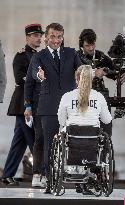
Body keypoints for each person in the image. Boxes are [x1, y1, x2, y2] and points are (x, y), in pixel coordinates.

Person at [30, 22, 82, 193]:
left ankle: (77, 177)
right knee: (49, 144)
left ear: (62, 37)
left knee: (74, 142)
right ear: (46, 37)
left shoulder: (71, 53)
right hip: (49, 107)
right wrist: (39, 74)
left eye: (59, 37)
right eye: (52, 36)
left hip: (70, 108)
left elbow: (81, 70)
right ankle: (49, 178)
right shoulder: (39, 56)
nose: (56, 40)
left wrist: (83, 74)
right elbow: (35, 72)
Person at [58, 65, 112, 194]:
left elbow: (61, 121)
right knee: (102, 137)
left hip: (72, 137)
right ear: (92, 79)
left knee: (63, 133)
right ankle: (93, 174)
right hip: (92, 138)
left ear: (76, 78)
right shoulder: (99, 96)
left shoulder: (67, 96)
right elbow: (107, 120)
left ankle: (77, 177)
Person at [2, 24, 44, 185]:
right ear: (27, 37)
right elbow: (20, 79)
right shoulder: (21, 56)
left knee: (19, 141)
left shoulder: (40, 56)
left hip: (33, 103)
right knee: (34, 140)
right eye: (35, 35)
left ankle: (7, 175)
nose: (39, 38)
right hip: (23, 106)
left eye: (40, 35)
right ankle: (42, 174)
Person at [77, 29, 125, 136]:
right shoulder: (75, 57)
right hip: (82, 96)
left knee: (106, 126)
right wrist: (94, 73)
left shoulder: (101, 56)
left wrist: (120, 74)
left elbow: (114, 71)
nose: (91, 48)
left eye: (93, 44)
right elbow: (73, 74)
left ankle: (105, 142)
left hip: (100, 95)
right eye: (87, 45)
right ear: (82, 45)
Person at [24, 38, 46, 188]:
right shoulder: (38, 57)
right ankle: (37, 174)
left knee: (54, 140)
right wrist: (28, 106)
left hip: (59, 105)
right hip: (40, 105)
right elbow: (29, 83)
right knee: (40, 138)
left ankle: (48, 174)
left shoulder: (67, 58)